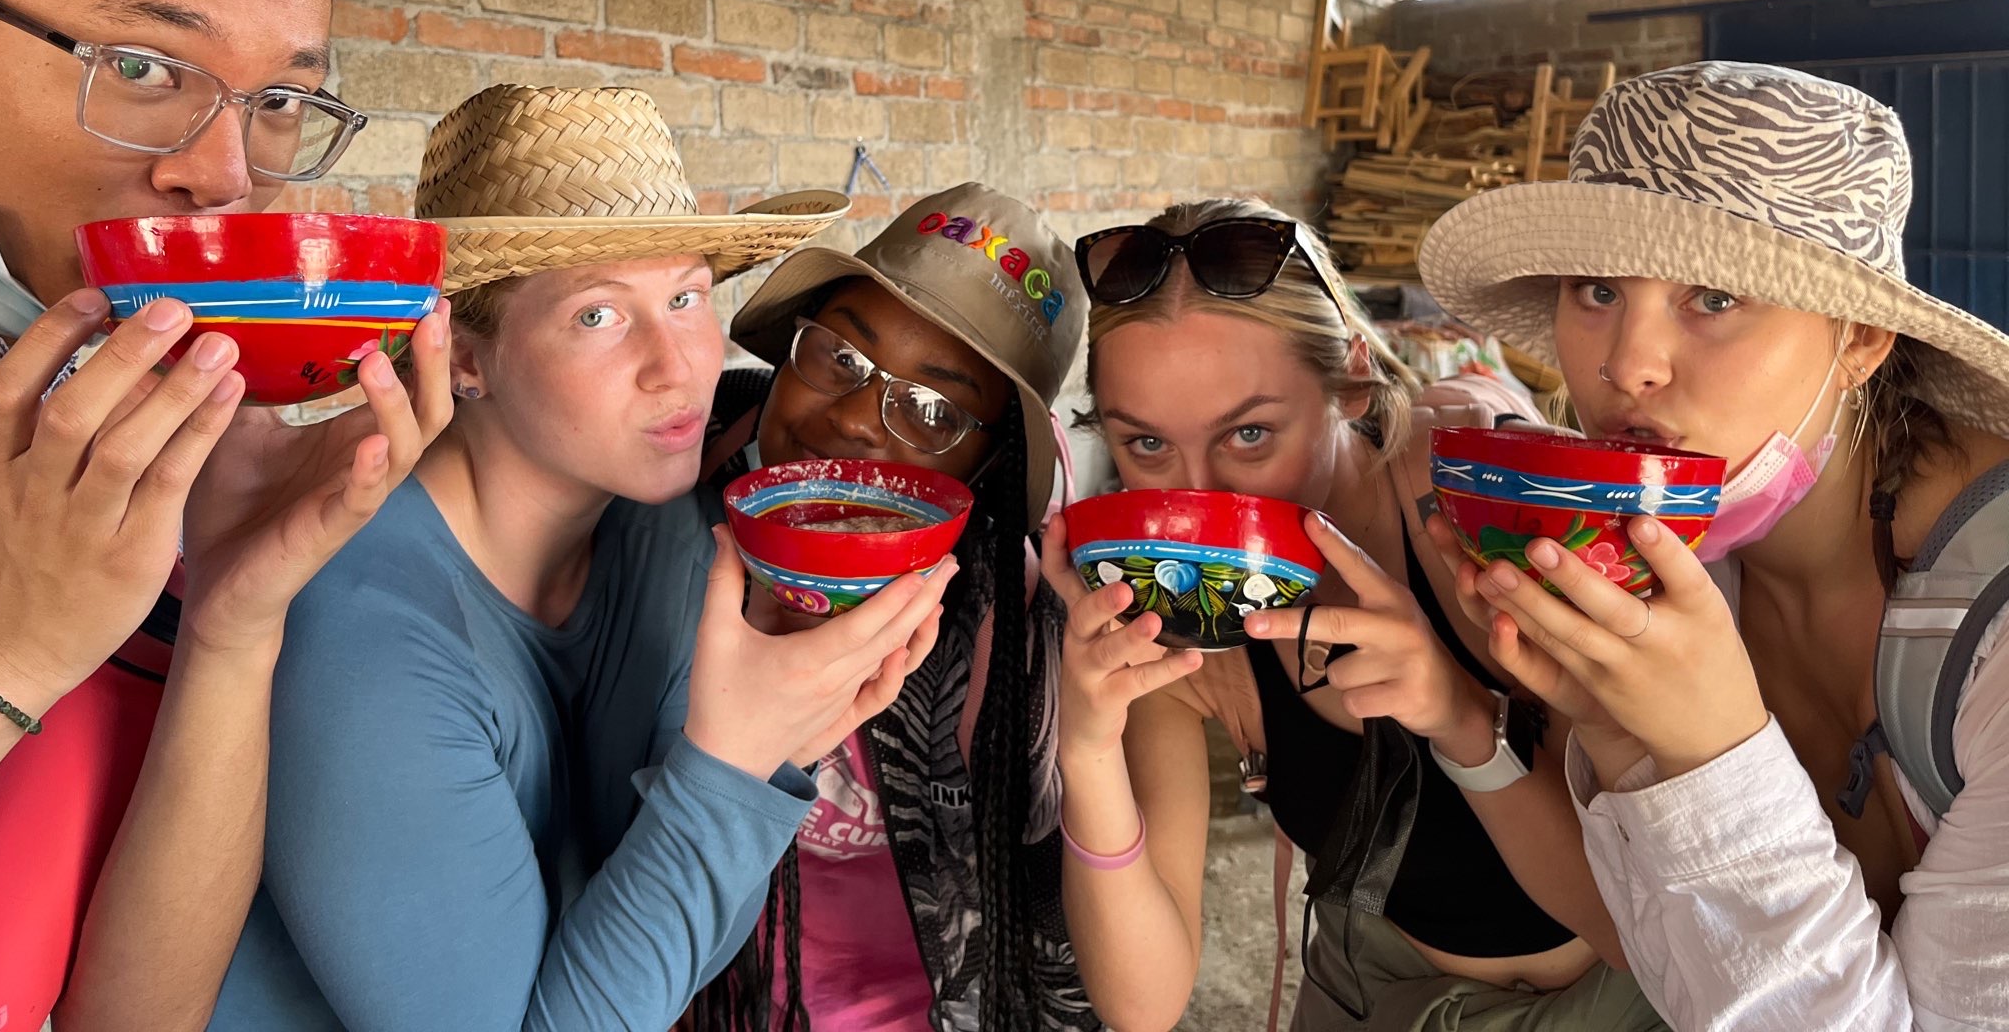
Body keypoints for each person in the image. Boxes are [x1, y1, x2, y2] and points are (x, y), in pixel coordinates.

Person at [212, 84, 951, 1030]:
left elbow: (675, 948)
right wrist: (734, 760)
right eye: (599, 316)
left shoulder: (662, 536)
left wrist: (772, 739)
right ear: (464, 357)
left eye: (685, 296)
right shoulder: (363, 639)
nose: (678, 362)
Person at [0, 0, 451, 1032]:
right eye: (140, 65)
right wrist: (8, 654)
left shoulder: (154, 419)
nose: (225, 173)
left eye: (283, 98)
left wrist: (235, 611)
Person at [1417, 60, 2009, 1030]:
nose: (1623, 365)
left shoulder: (1988, 634)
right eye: (1597, 288)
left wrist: (1708, 758)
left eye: (1716, 297)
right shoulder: (1678, 560)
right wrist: (1614, 733)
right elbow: (1651, 956)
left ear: (1858, 340)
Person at [1041, 197, 1664, 1032]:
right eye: (1147, 444)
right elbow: (1142, 1004)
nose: (1197, 499)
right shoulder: (1177, 616)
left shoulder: (1476, 510)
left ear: (1353, 382)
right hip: (1373, 990)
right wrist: (1084, 746)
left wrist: (1459, 714)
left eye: (1251, 434)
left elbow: (1626, 927)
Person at [691, 183, 1096, 1032]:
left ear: (991, 462)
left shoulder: (1010, 626)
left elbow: (1053, 947)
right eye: (841, 356)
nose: (855, 421)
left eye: (935, 411)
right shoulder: (673, 515)